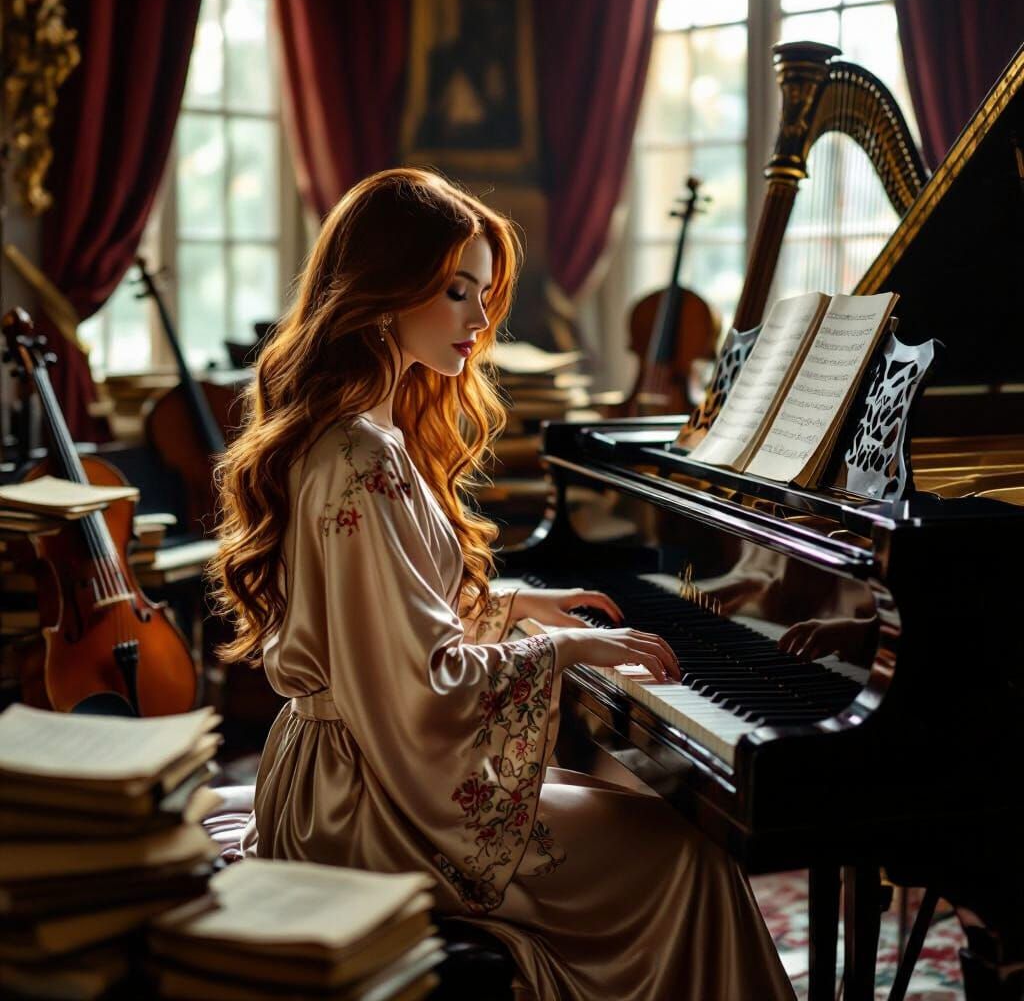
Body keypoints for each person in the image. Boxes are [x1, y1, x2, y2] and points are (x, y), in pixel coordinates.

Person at [212, 168, 795, 1001]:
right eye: (457, 291)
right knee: (685, 860)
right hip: (368, 804)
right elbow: (417, 686)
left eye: (483, 293)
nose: (481, 321)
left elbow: (386, 623)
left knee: (649, 826)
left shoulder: (363, 434)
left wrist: (514, 607)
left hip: (350, 773)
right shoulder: (359, 457)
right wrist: (563, 649)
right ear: (383, 290)